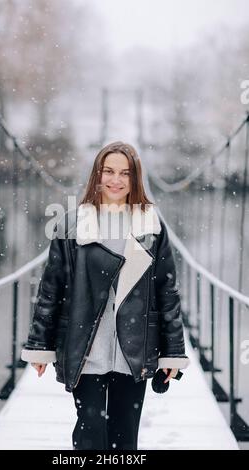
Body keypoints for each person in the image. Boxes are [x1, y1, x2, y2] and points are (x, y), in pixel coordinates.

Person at [21, 141, 190, 450]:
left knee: (125, 439)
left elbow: (167, 291)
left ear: (135, 178)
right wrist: (39, 346)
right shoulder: (72, 223)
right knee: (90, 435)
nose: (116, 180)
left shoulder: (151, 225)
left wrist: (173, 352)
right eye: (109, 171)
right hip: (86, 347)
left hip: (134, 349)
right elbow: (51, 288)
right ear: (97, 175)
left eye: (125, 173)